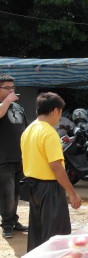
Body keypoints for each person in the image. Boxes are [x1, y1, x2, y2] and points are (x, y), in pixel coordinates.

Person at [21, 92, 82, 258]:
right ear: (55, 111)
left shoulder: (28, 130)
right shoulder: (49, 132)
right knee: (56, 234)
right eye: (60, 113)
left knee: (37, 232)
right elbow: (56, 166)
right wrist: (71, 192)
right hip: (49, 188)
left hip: (32, 186)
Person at [0, 74, 29, 239]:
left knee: (17, 193)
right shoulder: (4, 105)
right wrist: (8, 101)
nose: (12, 91)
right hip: (3, 158)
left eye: (13, 88)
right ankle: (7, 224)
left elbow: (24, 129)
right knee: (7, 193)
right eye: (7, 88)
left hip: (20, 158)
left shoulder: (18, 108)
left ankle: (13, 220)